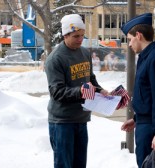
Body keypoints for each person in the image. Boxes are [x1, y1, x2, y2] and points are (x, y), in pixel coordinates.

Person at [44, 14, 108, 168]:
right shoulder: (55, 59)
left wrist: (101, 91)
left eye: (82, 36)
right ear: (65, 35)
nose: (80, 39)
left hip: (81, 118)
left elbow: (89, 78)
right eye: (76, 36)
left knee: (80, 164)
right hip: (62, 122)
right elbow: (57, 92)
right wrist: (81, 91)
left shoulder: (85, 53)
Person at [120, 13, 155, 167]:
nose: (129, 44)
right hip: (146, 124)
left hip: (152, 128)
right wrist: (138, 119)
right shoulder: (147, 57)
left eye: (130, 39)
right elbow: (148, 96)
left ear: (139, 35)